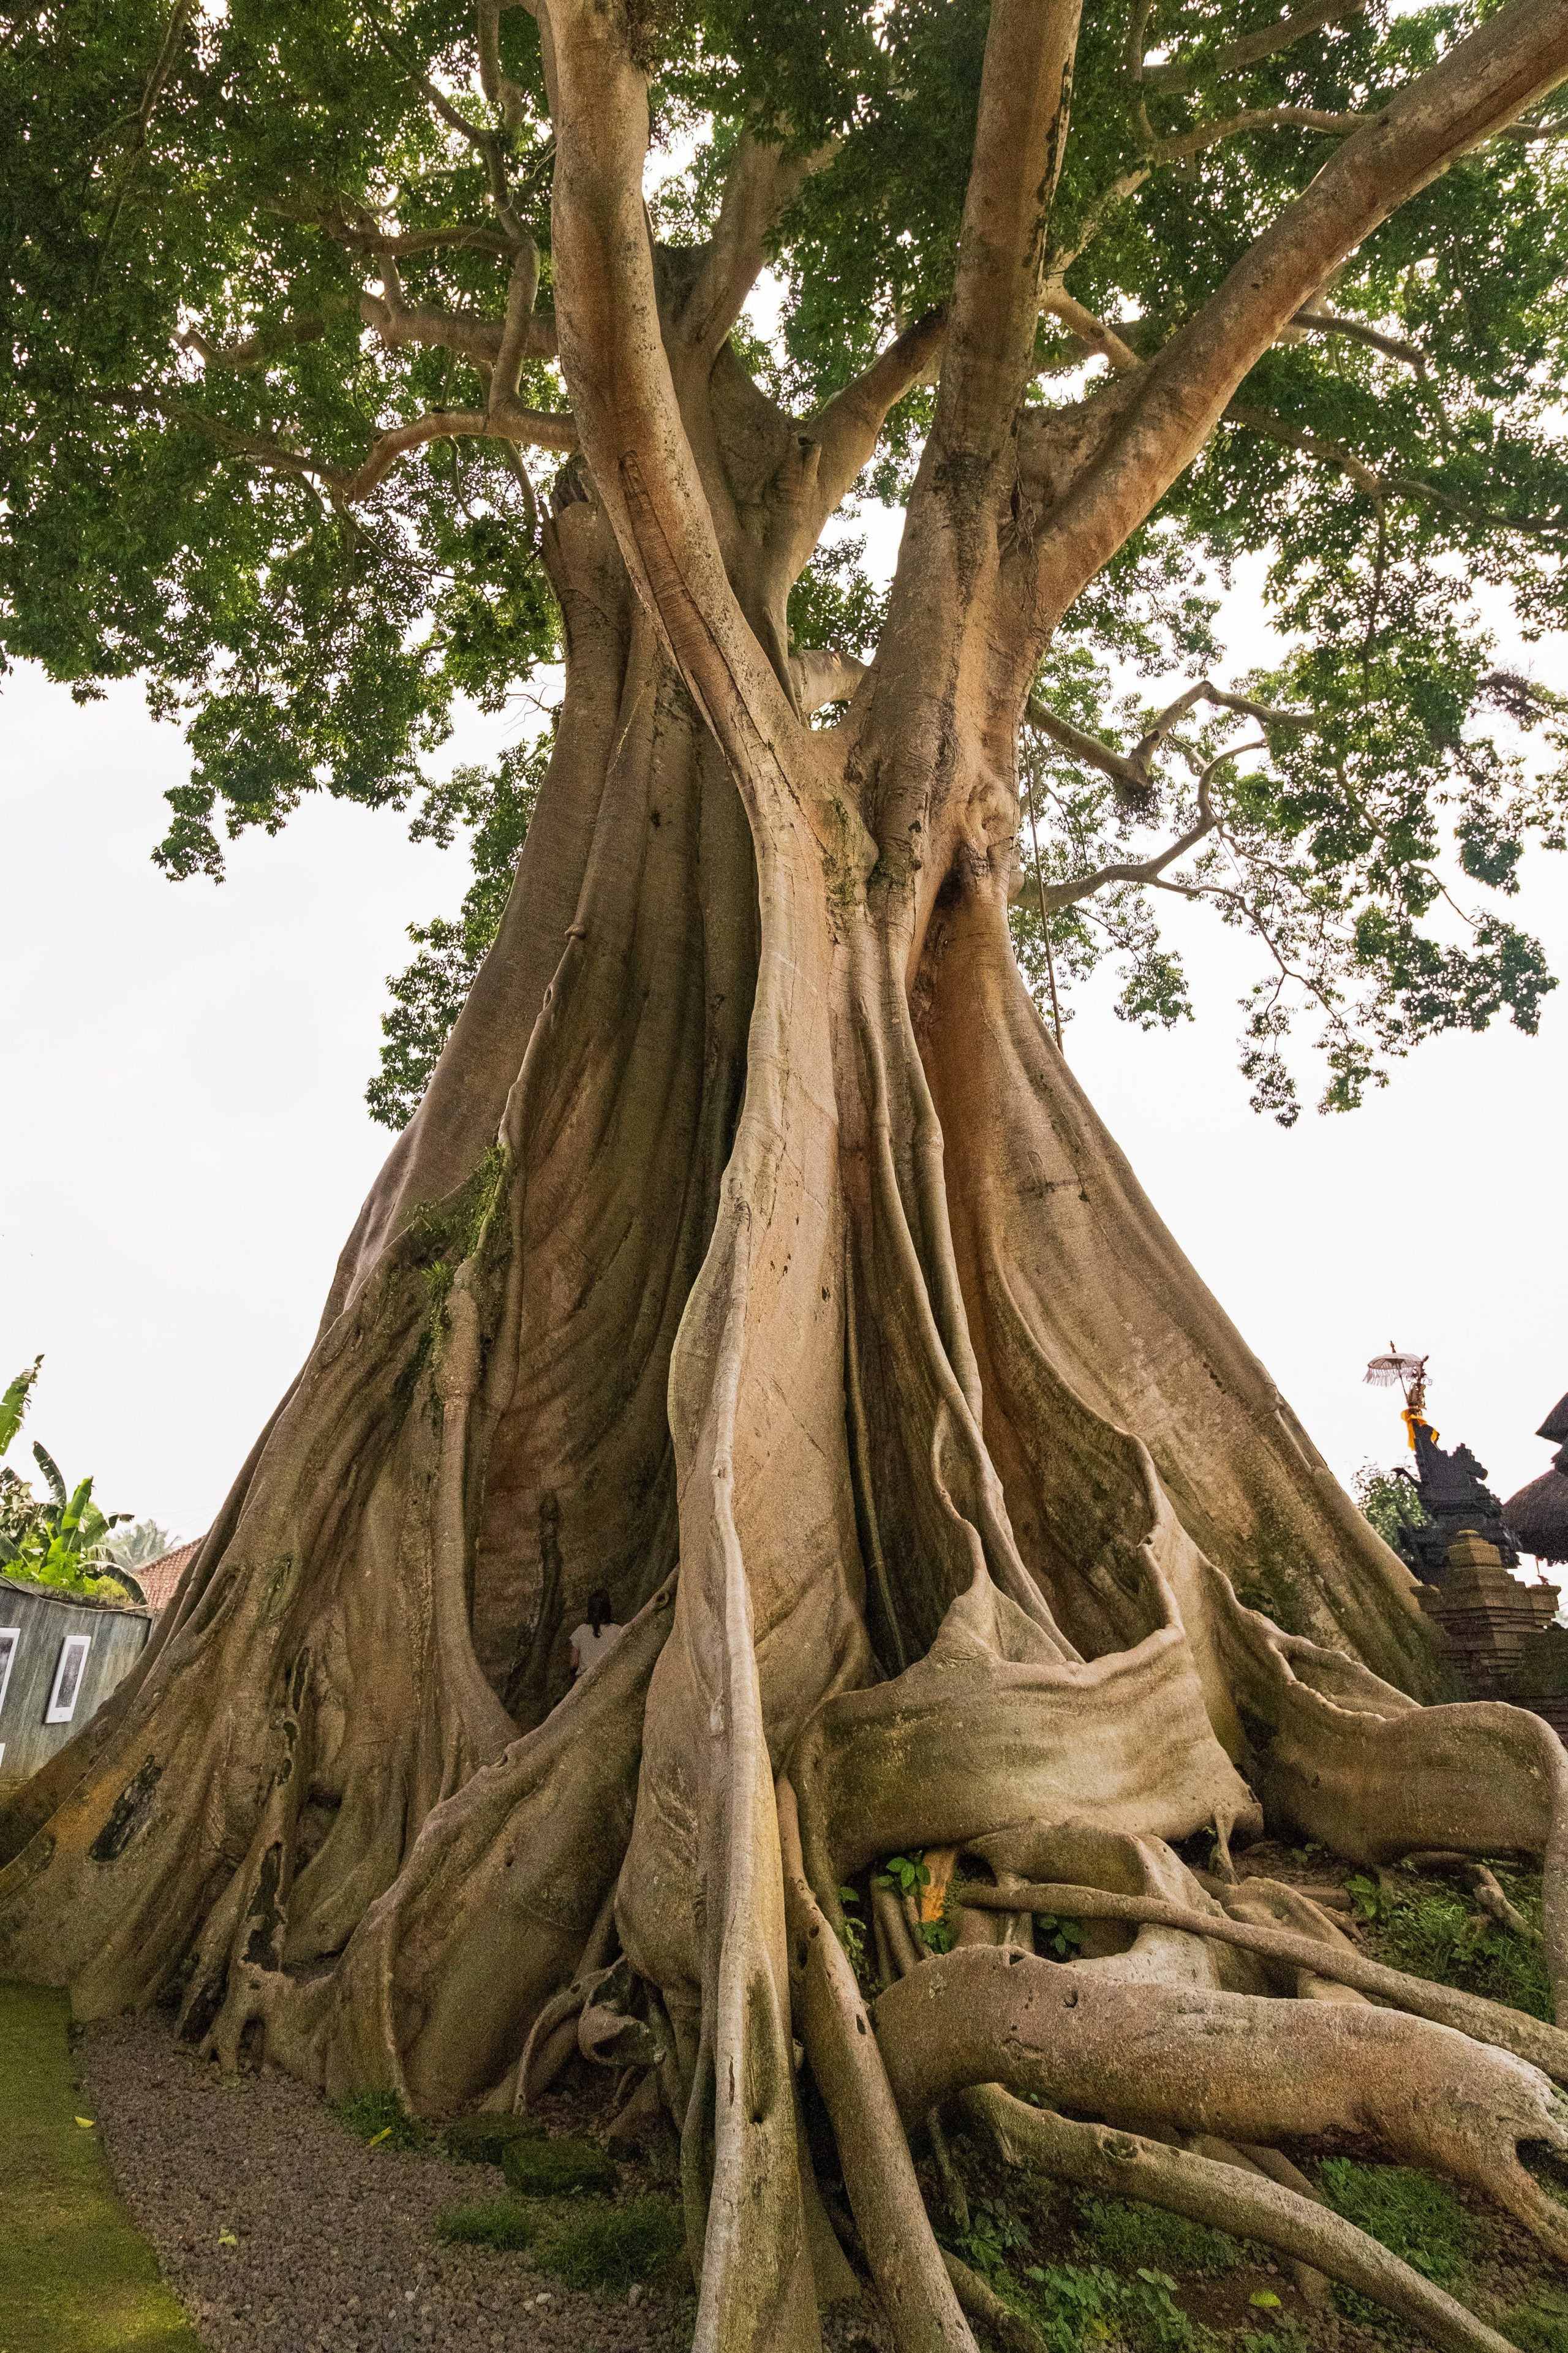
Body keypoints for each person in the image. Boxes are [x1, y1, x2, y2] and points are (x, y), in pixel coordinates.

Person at [568, 1588, 624, 1680]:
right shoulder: (619, 1631)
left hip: (584, 1682)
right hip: (609, 1681)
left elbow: (574, 1664)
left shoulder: (581, 1630)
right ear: (608, 1609)